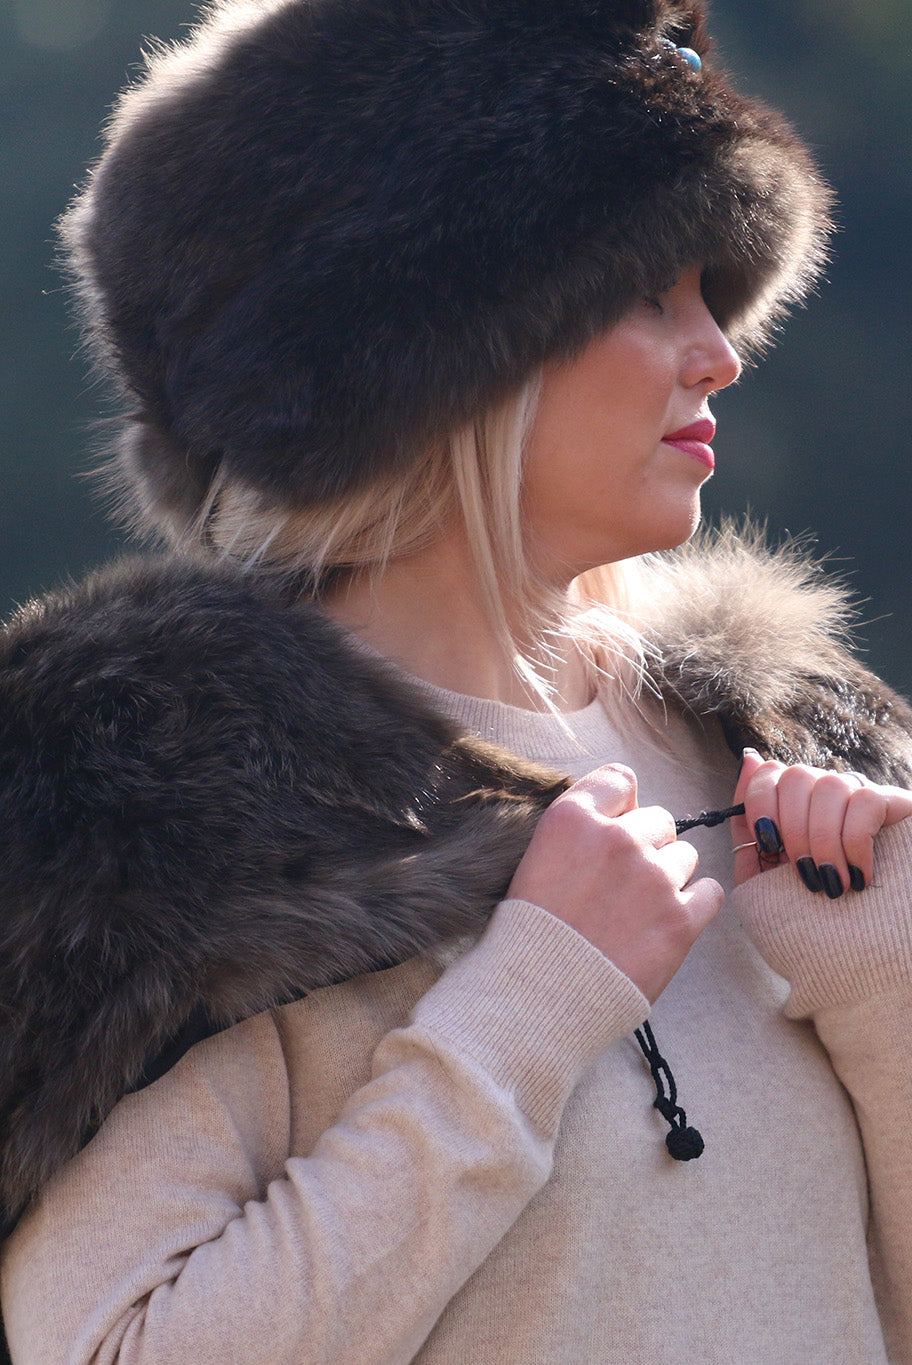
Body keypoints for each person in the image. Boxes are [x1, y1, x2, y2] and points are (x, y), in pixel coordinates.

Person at [2, 0, 912, 1360]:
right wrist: (525, 1013)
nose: (719, 350)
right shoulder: (171, 824)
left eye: (715, 294)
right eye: (646, 291)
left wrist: (888, 993)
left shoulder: (801, 748)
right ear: (433, 359)